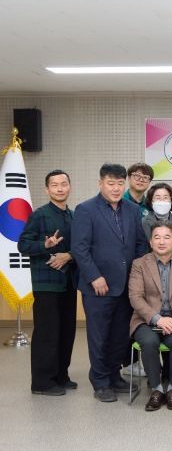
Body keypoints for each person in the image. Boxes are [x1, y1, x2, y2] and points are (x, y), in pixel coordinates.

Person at [71, 163, 148, 402]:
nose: (116, 188)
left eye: (119, 183)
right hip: (98, 287)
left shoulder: (132, 210)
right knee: (99, 336)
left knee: (120, 336)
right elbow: (80, 248)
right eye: (110, 183)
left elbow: (140, 245)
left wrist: (136, 277)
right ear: (100, 183)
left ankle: (114, 375)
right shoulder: (85, 209)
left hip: (126, 286)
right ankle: (101, 381)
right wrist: (94, 276)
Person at [18, 170, 77, 396]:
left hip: (69, 282)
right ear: (47, 189)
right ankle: (42, 382)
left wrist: (69, 255)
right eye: (55, 185)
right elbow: (23, 245)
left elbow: (80, 246)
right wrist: (45, 245)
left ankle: (61, 375)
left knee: (66, 331)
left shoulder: (73, 215)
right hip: (46, 284)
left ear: (69, 187)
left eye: (64, 184)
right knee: (47, 333)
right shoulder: (39, 215)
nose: (60, 188)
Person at [128, 221, 172, 411]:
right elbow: (135, 297)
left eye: (167, 237)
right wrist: (158, 319)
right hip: (147, 320)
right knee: (149, 342)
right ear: (150, 242)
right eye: (157, 237)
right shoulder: (139, 264)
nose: (162, 241)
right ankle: (156, 390)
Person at [142, 183, 172, 260]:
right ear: (151, 201)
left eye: (165, 197)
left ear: (171, 200)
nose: (162, 201)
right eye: (158, 198)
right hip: (150, 266)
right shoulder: (142, 223)